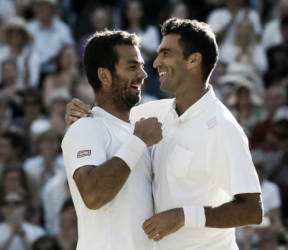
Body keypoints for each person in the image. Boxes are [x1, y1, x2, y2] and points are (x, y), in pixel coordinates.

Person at [65, 18, 263, 249]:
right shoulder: (152, 115)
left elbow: (252, 210)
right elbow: (109, 116)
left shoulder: (222, 127)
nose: (155, 64)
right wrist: (81, 115)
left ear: (193, 60)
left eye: (166, 54)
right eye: (157, 54)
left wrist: (184, 216)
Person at [61, 30, 163, 250]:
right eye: (131, 67)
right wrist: (138, 141)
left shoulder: (139, 131)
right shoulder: (85, 127)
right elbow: (93, 195)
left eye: (141, 66)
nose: (143, 74)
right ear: (104, 76)